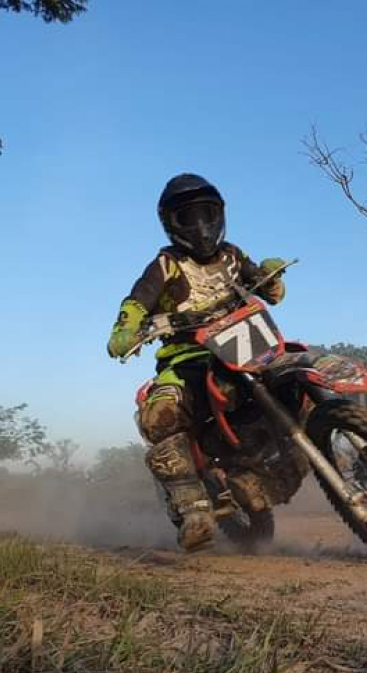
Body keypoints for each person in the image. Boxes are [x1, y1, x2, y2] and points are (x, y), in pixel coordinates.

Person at [107, 173, 287, 551]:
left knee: (297, 376)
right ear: (172, 224)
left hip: (247, 343)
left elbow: (268, 288)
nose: (201, 226)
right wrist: (126, 327)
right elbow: (138, 300)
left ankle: (293, 461)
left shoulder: (233, 255)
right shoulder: (167, 264)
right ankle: (193, 509)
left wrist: (271, 278)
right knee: (159, 413)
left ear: (220, 214)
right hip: (188, 357)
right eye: (189, 218)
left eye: (207, 214)